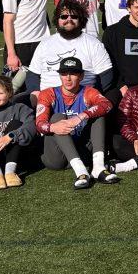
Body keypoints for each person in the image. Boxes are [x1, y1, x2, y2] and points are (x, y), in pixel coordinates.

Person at [35, 57, 120, 190]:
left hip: (82, 150)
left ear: (81, 76)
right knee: (58, 117)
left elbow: (107, 104)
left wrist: (81, 116)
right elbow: (39, 124)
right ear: (60, 76)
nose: (68, 78)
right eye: (64, 74)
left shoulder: (88, 92)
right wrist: (53, 127)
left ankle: (97, 167)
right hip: (57, 158)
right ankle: (80, 170)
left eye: (73, 73)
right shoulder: (48, 93)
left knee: (98, 114)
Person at [26, 0, 114, 93]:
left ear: (81, 20)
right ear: (57, 20)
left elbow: (106, 75)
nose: (69, 20)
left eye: (74, 16)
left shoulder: (94, 44)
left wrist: (92, 96)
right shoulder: (45, 43)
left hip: (83, 101)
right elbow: (33, 74)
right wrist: (35, 93)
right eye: (64, 17)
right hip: (47, 100)